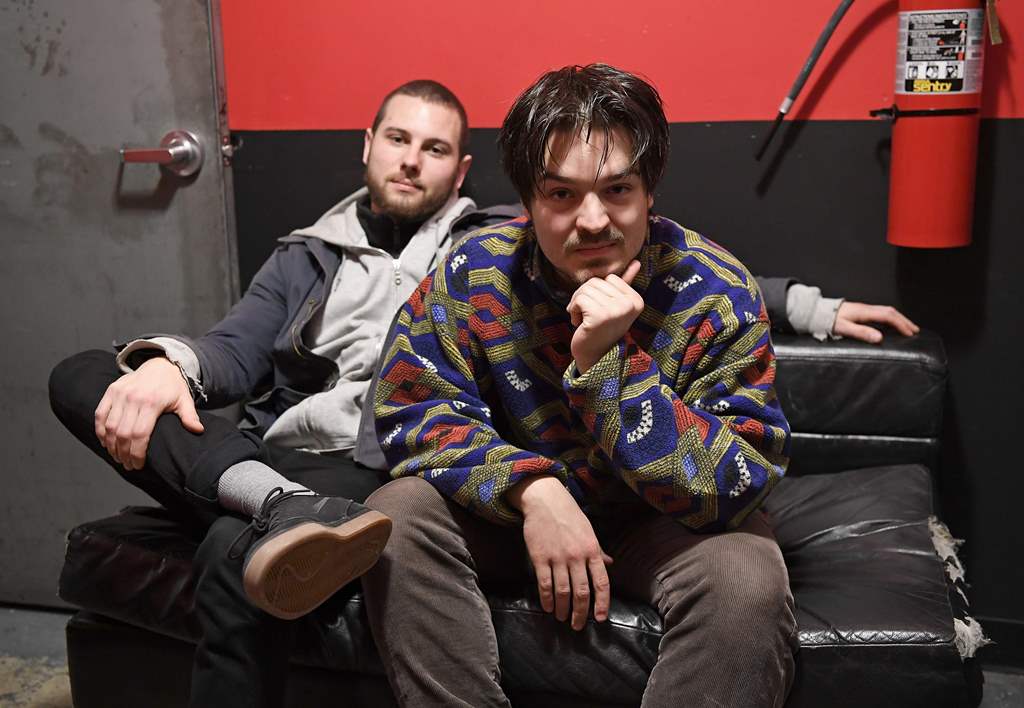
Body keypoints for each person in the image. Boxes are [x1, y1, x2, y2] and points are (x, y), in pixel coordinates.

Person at [49, 79, 519, 706]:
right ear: (368, 145)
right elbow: (236, 346)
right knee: (82, 373)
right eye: (398, 139)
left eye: (434, 149)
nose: (410, 160)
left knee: (234, 548)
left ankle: (274, 507)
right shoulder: (307, 252)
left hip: (376, 465)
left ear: (459, 171)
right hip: (271, 454)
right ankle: (280, 501)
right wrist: (170, 366)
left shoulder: (487, 248)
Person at [363, 64, 799, 707]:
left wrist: (607, 366)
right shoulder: (473, 272)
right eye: (561, 195)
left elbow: (743, 476)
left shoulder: (716, 290)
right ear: (529, 201)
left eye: (617, 189)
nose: (593, 221)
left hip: (660, 526)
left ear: (649, 191)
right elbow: (411, 410)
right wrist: (534, 490)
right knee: (396, 515)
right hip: (513, 519)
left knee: (748, 574)